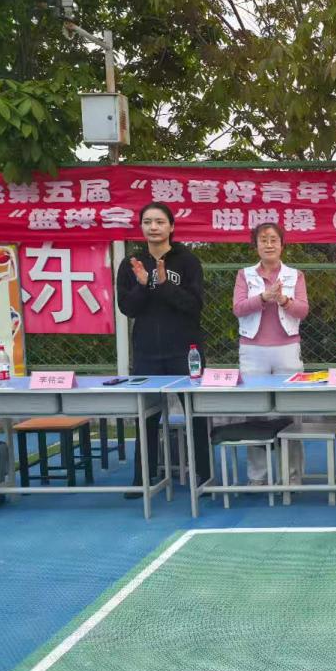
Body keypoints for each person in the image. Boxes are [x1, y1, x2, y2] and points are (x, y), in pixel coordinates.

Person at [116, 202, 210, 498]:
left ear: (171, 227)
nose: (153, 227)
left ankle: (204, 475)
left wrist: (165, 284)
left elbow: (194, 306)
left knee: (196, 414)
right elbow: (127, 308)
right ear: (141, 227)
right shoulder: (131, 264)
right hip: (147, 352)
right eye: (147, 222)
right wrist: (144, 285)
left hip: (185, 352)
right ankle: (142, 478)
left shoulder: (188, 261)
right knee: (146, 417)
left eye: (159, 221)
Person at [232, 222, 309, 485]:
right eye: (263, 240)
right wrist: (263, 298)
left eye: (274, 240)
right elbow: (238, 308)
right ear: (255, 245)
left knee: (291, 412)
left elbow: (303, 310)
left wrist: (283, 300)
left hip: (287, 348)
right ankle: (258, 477)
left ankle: (292, 476)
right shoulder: (245, 275)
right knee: (255, 413)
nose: (268, 244)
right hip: (252, 349)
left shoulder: (294, 275)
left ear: (282, 245)